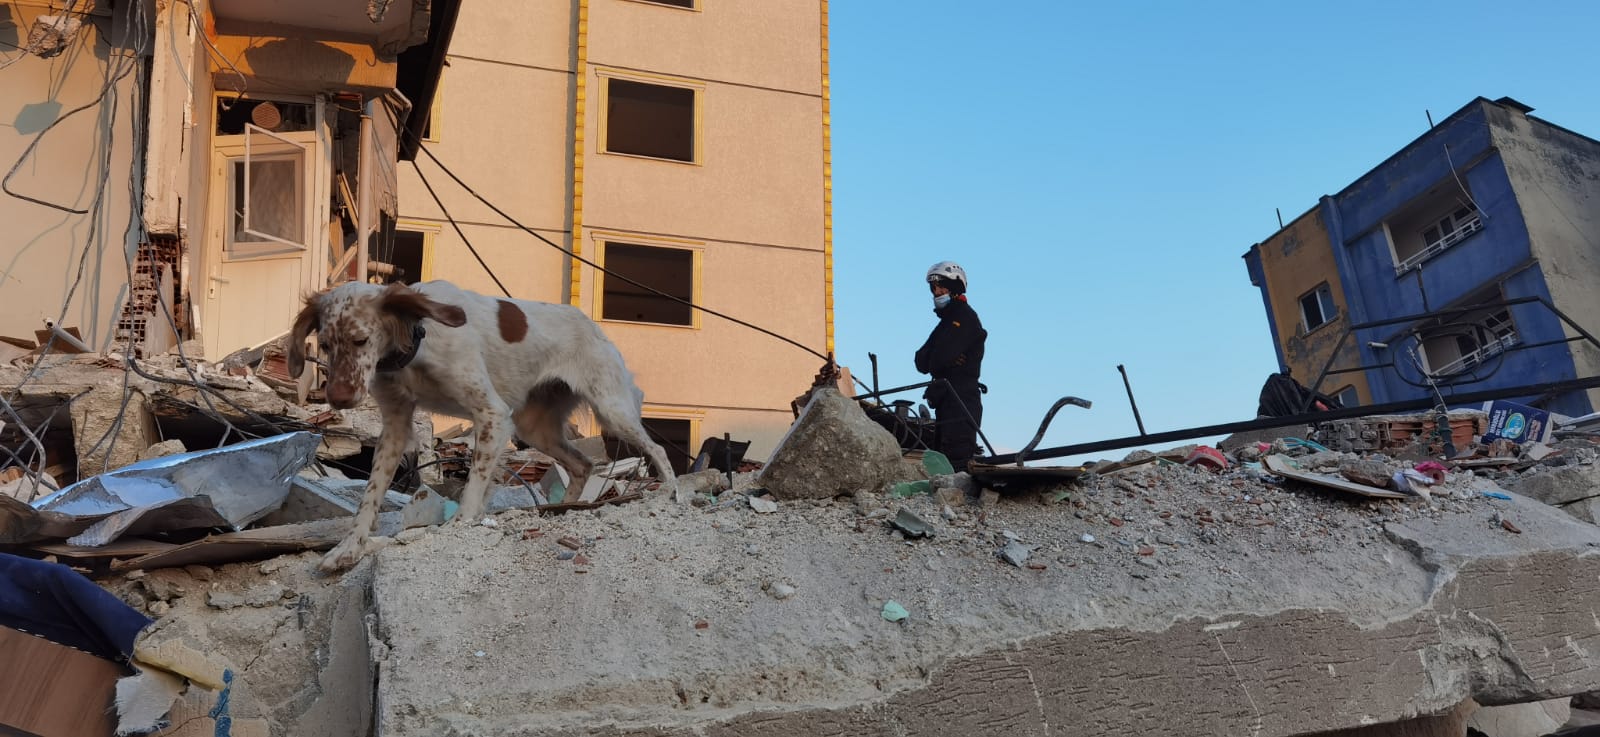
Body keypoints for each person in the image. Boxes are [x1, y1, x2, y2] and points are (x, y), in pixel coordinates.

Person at [914, 261, 987, 472]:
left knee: (956, 463)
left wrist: (938, 360)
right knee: (942, 463)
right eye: (934, 288)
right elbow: (921, 361)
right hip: (945, 399)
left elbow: (938, 359)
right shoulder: (945, 323)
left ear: (955, 288)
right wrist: (940, 360)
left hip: (961, 399)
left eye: (942, 286)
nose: (937, 291)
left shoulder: (965, 317)